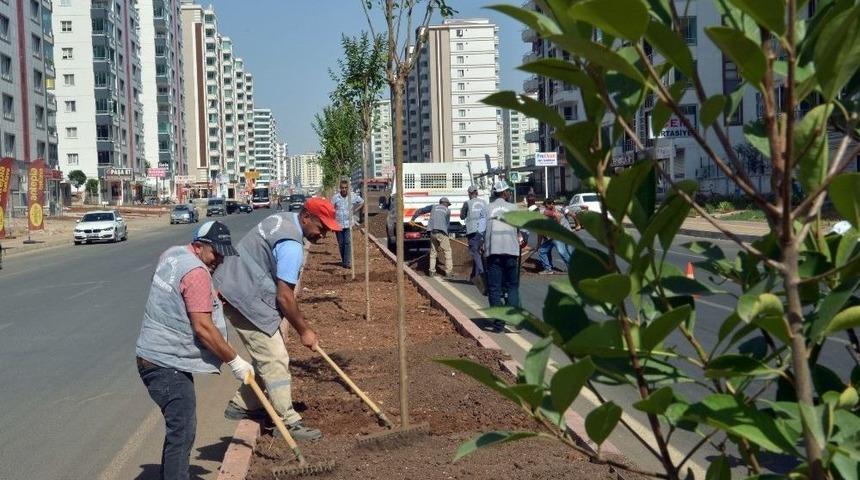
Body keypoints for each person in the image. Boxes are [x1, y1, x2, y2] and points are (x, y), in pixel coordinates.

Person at [214, 198, 342, 441]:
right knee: (275, 358)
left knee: (269, 354)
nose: (323, 235)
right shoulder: (291, 246)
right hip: (245, 298)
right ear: (305, 216)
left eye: (327, 230)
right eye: (321, 227)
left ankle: (242, 404)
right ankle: (289, 422)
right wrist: (305, 330)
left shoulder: (281, 220)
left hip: (237, 289)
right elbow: (285, 298)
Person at [136, 221, 253, 480]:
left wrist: (206, 295)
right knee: (183, 430)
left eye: (223, 254)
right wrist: (235, 361)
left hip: (151, 356)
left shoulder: (173, 254)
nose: (219, 260)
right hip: (165, 365)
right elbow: (203, 328)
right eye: (216, 253)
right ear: (199, 247)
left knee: (179, 429)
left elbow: (176, 291)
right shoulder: (197, 273)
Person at [484, 180, 521, 331]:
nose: (510, 193)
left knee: (494, 288)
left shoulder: (488, 208)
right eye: (508, 191)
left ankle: (499, 324)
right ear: (504, 193)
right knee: (512, 286)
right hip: (511, 252)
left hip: (493, 252)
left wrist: (482, 245)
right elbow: (522, 231)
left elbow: (481, 230)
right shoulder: (513, 208)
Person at [411, 197, 453, 277]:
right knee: (447, 251)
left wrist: (413, 219)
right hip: (442, 233)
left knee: (433, 252)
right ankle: (448, 272)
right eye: (448, 205)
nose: (447, 206)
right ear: (445, 203)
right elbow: (447, 225)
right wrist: (447, 236)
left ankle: (431, 272)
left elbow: (420, 210)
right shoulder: (448, 211)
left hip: (432, 232)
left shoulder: (433, 207)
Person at [331, 179, 364, 269]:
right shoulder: (335, 198)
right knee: (341, 243)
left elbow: (362, 202)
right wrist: (331, 223)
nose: (344, 189)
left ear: (348, 188)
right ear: (340, 188)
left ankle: (347, 262)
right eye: (342, 188)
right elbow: (331, 209)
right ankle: (344, 260)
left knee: (347, 242)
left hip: (348, 223)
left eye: (346, 188)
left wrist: (355, 210)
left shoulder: (352, 196)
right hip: (338, 225)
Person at [460, 185, 488, 291]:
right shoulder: (484, 203)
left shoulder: (467, 203)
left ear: (469, 193)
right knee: (480, 254)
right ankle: (474, 276)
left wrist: (465, 213)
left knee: (475, 253)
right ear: (477, 193)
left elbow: (462, 216)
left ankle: (482, 275)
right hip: (484, 230)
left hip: (473, 231)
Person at [537, 198, 572, 274]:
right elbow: (540, 233)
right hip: (552, 236)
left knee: (545, 251)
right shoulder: (542, 215)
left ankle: (548, 269)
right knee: (548, 251)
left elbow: (557, 216)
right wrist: (538, 244)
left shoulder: (544, 212)